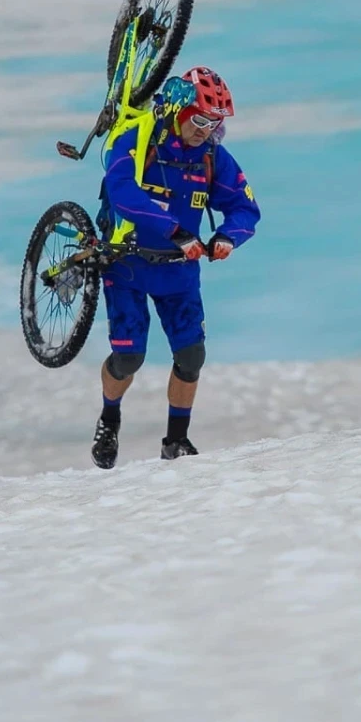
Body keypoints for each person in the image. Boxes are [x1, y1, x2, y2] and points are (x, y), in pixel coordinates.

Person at [91, 65, 261, 469]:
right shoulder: (140, 140)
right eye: (200, 120)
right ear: (179, 110)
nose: (206, 130)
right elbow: (122, 193)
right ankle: (109, 417)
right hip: (127, 264)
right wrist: (174, 230)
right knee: (128, 358)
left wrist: (226, 237)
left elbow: (244, 208)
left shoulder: (211, 157)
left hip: (178, 272)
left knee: (191, 356)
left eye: (215, 124)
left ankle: (176, 441)